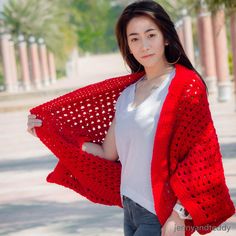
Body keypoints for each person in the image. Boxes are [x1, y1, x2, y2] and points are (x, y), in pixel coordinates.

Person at [27, 1, 234, 236]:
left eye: (150, 35)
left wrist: (179, 214)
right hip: (130, 210)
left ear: (166, 37)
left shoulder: (185, 85)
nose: (144, 45)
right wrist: (50, 132)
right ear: (128, 46)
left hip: (161, 212)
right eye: (134, 39)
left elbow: (199, 154)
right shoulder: (126, 94)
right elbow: (107, 153)